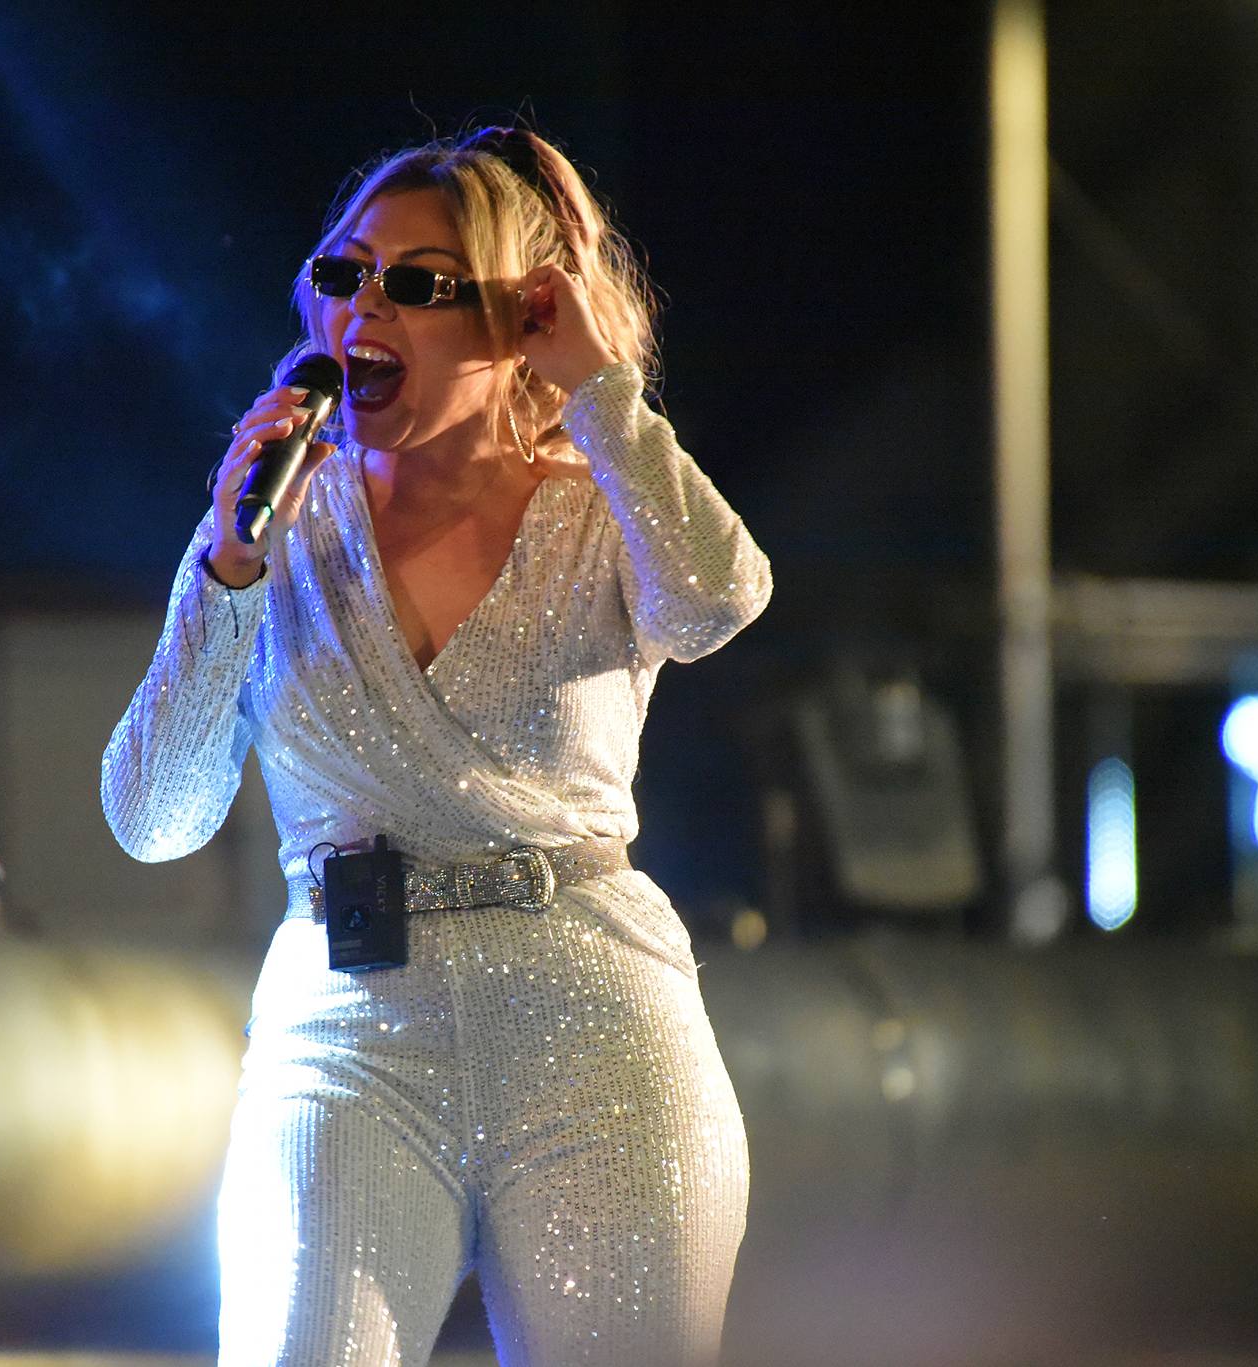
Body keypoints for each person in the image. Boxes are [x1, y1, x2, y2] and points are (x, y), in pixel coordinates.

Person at [101, 126, 771, 1367]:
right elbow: (153, 815)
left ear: (521, 319)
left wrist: (602, 393)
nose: (365, 308)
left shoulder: (597, 508)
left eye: (418, 283)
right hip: (345, 1037)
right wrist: (228, 567)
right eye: (345, 273)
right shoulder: (278, 525)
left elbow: (715, 601)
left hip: (596, 1029)